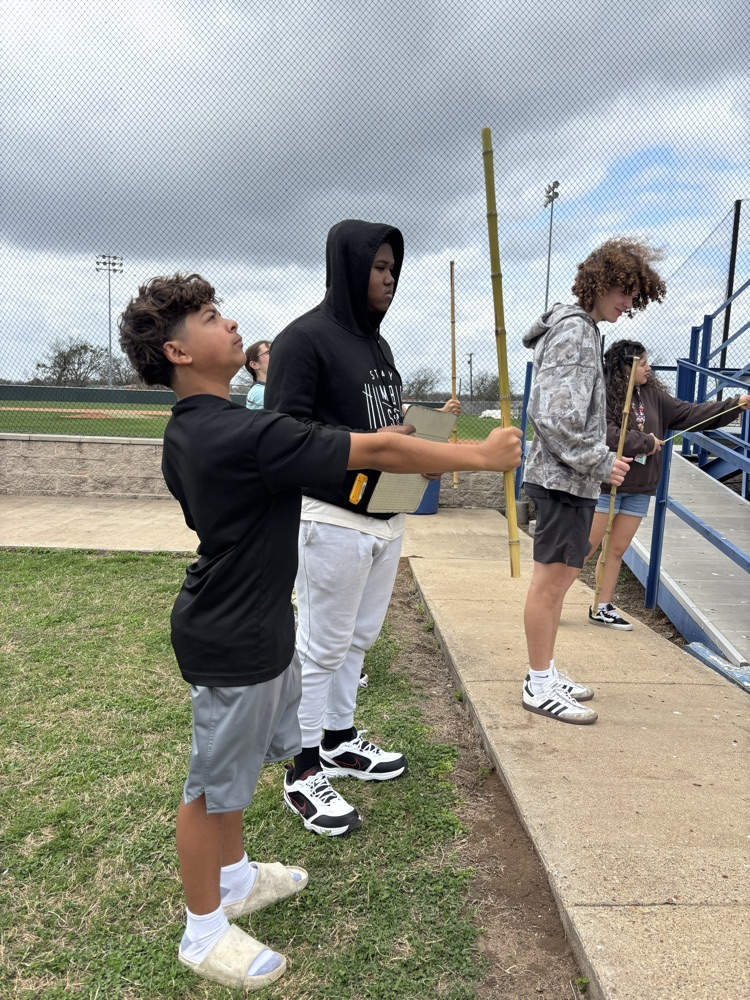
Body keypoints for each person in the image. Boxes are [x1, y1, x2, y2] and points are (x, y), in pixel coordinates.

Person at [117, 272, 522, 990]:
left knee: (236, 773)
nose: (231, 325)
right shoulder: (233, 434)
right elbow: (371, 456)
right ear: (177, 351)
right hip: (232, 635)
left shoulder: (203, 428)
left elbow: (343, 443)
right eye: (212, 318)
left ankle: (236, 878)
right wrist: (480, 457)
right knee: (209, 788)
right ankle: (202, 929)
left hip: (259, 621)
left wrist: (375, 436)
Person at [265, 219, 459, 836]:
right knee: (321, 645)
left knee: (357, 640)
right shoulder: (303, 340)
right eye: (379, 267)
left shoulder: (379, 347)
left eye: (395, 269)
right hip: (331, 517)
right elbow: (283, 437)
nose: (389, 278)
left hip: (386, 514)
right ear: (348, 267)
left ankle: (341, 739)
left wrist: (418, 428)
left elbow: (373, 422)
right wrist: (375, 442)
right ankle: (302, 770)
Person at [521, 238, 666, 725]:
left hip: (571, 477)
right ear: (600, 282)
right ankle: (538, 683)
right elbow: (553, 415)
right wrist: (601, 460)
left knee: (562, 580)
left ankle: (544, 670)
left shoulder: (581, 330)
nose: (628, 305)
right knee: (551, 582)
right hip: (565, 478)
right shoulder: (576, 333)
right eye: (624, 292)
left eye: (634, 296)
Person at [587, 339, 750, 629]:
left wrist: (734, 405)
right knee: (583, 547)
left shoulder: (652, 394)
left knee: (615, 550)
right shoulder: (603, 395)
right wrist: (646, 442)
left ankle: (602, 606)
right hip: (605, 484)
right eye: (644, 363)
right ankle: (551, 600)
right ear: (625, 368)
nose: (650, 367)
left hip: (640, 487)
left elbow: (690, 414)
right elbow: (607, 434)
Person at [244, 341, 272, 409]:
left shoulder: (272, 388)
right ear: (254, 365)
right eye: (268, 352)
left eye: (275, 350)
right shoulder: (259, 392)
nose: (275, 354)